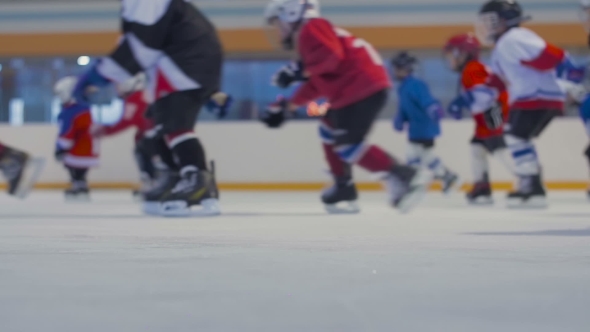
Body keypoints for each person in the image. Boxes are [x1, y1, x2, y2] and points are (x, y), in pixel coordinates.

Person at [261, 0, 433, 214]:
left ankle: (405, 175)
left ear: (291, 12)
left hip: (360, 87)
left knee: (348, 145)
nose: (277, 31)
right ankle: (344, 186)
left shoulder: (311, 28)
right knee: (328, 128)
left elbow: (332, 58)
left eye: (278, 23)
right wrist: (289, 106)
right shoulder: (314, 39)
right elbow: (318, 81)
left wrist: (297, 69)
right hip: (360, 87)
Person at [72, 0, 230, 216]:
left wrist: (100, 75)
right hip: (183, 63)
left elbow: (141, 45)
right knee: (160, 124)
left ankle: (197, 178)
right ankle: (177, 177)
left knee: (176, 125)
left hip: (184, 63)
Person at [477, 0, 565, 208]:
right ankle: (531, 182)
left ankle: (532, 185)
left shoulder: (515, 38)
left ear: (506, 20)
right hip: (531, 97)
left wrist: (573, 78)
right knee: (518, 137)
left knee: (516, 137)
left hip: (537, 96)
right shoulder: (503, 44)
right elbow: (499, 78)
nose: (487, 27)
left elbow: (552, 56)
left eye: (491, 21)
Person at [443, 33, 514, 205]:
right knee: (477, 147)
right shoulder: (473, 68)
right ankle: (482, 186)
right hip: (487, 116)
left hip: (494, 114)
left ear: (464, 53)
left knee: (499, 149)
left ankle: (528, 178)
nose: (450, 59)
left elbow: (485, 93)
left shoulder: (473, 68)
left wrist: (462, 101)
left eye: (453, 54)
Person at [391, 51, 459, 195]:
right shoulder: (403, 87)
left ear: (406, 69)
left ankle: (415, 182)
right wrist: (400, 120)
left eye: (397, 68)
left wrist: (433, 109)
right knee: (426, 155)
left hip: (424, 127)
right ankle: (447, 176)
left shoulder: (416, 84)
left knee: (413, 153)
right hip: (416, 128)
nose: (395, 72)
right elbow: (404, 107)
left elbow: (427, 100)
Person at [90, 73, 162, 198]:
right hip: (157, 133)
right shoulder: (143, 95)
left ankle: (153, 182)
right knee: (148, 153)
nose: (117, 88)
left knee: (144, 153)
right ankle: (155, 181)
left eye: (119, 85)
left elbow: (127, 121)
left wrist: (105, 130)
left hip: (153, 136)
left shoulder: (136, 97)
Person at [54, 77, 99, 201]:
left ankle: (78, 184)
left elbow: (67, 132)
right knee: (80, 168)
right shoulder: (85, 108)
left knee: (73, 166)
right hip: (87, 146)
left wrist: (60, 147)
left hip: (77, 147)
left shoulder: (71, 111)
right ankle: (81, 184)